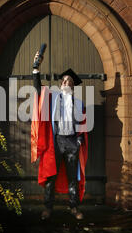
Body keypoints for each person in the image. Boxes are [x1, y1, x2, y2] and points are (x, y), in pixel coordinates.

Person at [30, 51, 88, 220]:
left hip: (72, 142)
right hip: (56, 142)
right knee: (50, 176)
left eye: (67, 81)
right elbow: (37, 89)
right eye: (62, 80)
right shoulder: (53, 97)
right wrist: (36, 69)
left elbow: (83, 126)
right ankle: (48, 208)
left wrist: (78, 141)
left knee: (72, 178)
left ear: (72, 85)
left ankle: (74, 208)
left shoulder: (79, 103)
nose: (64, 82)